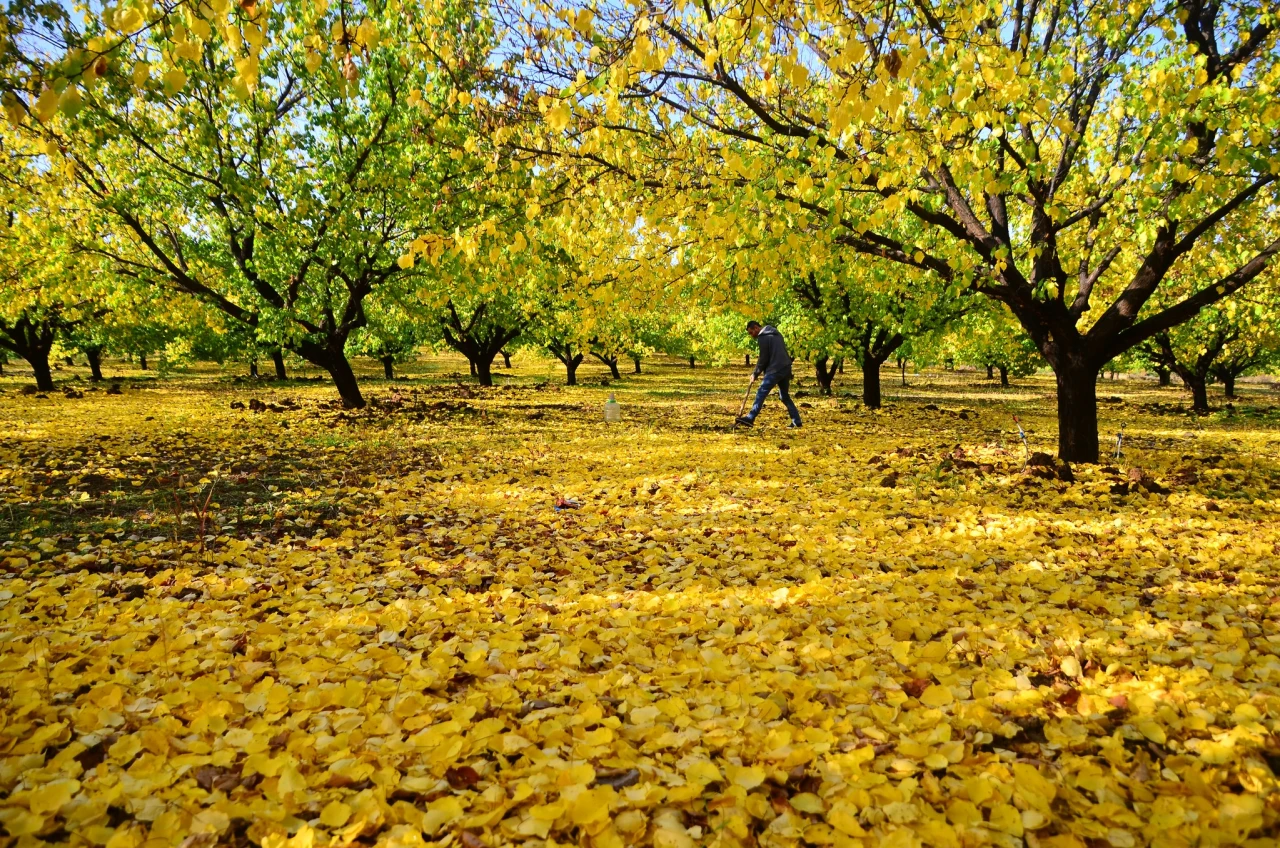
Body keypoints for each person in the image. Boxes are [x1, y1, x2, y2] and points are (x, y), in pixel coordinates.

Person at [737, 320, 802, 428]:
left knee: (761, 392)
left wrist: (755, 373)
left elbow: (764, 358)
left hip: (775, 369)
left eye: (751, 332)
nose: (751, 335)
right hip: (786, 367)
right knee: (784, 396)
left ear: (756, 328)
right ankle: (797, 421)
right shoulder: (776, 333)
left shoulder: (763, 337)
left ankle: (750, 418)